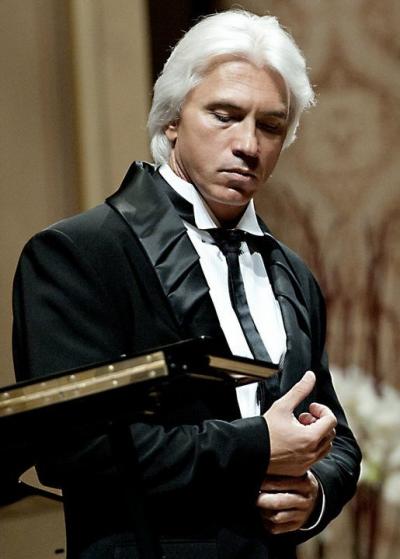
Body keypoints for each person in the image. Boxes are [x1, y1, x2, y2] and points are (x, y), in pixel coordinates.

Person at [12, 9, 361, 559]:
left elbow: (334, 433)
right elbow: (72, 448)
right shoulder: (78, 253)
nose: (248, 144)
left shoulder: (291, 271)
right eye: (225, 115)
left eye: (270, 126)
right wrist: (257, 446)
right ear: (172, 119)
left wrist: (316, 493)